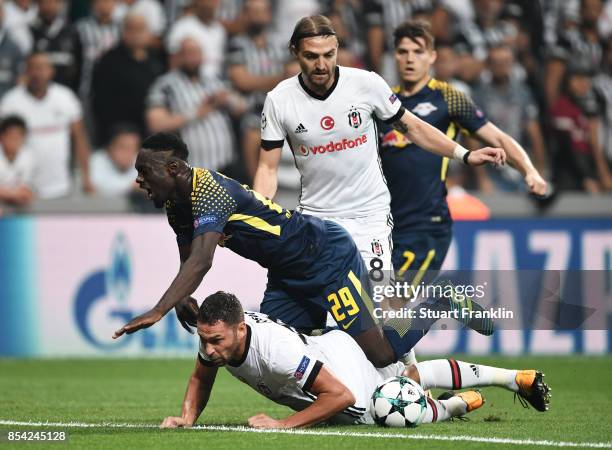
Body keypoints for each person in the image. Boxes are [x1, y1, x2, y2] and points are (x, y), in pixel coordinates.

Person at [111, 132, 494, 369]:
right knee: (282, 352)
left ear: (175, 168)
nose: (139, 179)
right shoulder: (177, 205)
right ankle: (345, 380)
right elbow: (188, 255)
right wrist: (184, 298)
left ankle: (442, 299)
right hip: (287, 273)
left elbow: (203, 259)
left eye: (146, 171)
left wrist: (159, 309)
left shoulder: (209, 190)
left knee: (380, 354)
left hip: (323, 256)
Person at [253, 15, 505, 333]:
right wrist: (256, 216)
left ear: (337, 49)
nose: (321, 65)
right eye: (311, 56)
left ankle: (439, 304)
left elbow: (413, 127)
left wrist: (464, 154)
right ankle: (410, 370)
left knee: (377, 322)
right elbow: (267, 167)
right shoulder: (279, 100)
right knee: (326, 329)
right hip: (316, 222)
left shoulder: (366, 84)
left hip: (368, 221)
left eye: (328, 55)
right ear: (294, 52)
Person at [159, 292, 550, 429]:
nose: (209, 350)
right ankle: (515, 379)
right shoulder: (218, 336)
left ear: (240, 330)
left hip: (339, 372)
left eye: (215, 341)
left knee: (389, 409)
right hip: (333, 347)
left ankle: (451, 404)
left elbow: (340, 396)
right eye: (205, 340)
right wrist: (187, 416)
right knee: (408, 375)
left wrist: (284, 425)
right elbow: (201, 374)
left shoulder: (274, 352)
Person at [377, 21, 547, 280]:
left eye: (418, 51)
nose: (410, 59)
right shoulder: (384, 102)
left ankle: (441, 299)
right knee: (373, 309)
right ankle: (442, 299)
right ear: (395, 56)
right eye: (403, 52)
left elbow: (497, 137)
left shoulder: (448, 98)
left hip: (426, 225)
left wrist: (530, 171)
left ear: (432, 57)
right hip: (384, 225)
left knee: (387, 305)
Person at [0, 52, 93, 198]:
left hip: (60, 185)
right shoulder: (10, 102)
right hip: (20, 188)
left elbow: (79, 138)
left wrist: (86, 178)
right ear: (26, 71)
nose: (38, 73)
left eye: (43, 68)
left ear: (51, 71)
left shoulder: (65, 97)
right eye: (34, 68)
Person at [146, 37, 245, 175]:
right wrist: (196, 113)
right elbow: (155, 123)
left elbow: (241, 107)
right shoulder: (165, 84)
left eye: (196, 52)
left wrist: (228, 100)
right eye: (188, 53)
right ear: (179, 56)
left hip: (227, 165)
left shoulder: (214, 80)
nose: (192, 57)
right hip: (194, 168)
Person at [91, 12, 164, 145]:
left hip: (150, 133)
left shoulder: (156, 60)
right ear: (123, 31)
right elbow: (101, 104)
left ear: (148, 33)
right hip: (119, 135)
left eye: (141, 29)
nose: (136, 34)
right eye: (131, 29)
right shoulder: (108, 61)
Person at [29, 0, 81, 92]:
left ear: (60, 4)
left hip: (65, 95)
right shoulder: (29, 32)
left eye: (53, 2)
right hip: (36, 95)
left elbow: (79, 67)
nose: (49, 7)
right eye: (45, 2)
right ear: (38, 4)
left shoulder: (72, 33)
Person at [90, 125, 140, 196]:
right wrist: (132, 186)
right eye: (123, 147)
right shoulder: (95, 161)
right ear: (110, 148)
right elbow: (96, 187)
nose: (128, 153)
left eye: (133, 148)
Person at [0, 115, 34, 206]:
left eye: (19, 137)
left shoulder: (28, 156)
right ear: (2, 137)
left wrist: (9, 194)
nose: (15, 141)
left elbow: (26, 191)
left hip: (17, 207)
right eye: (11, 137)